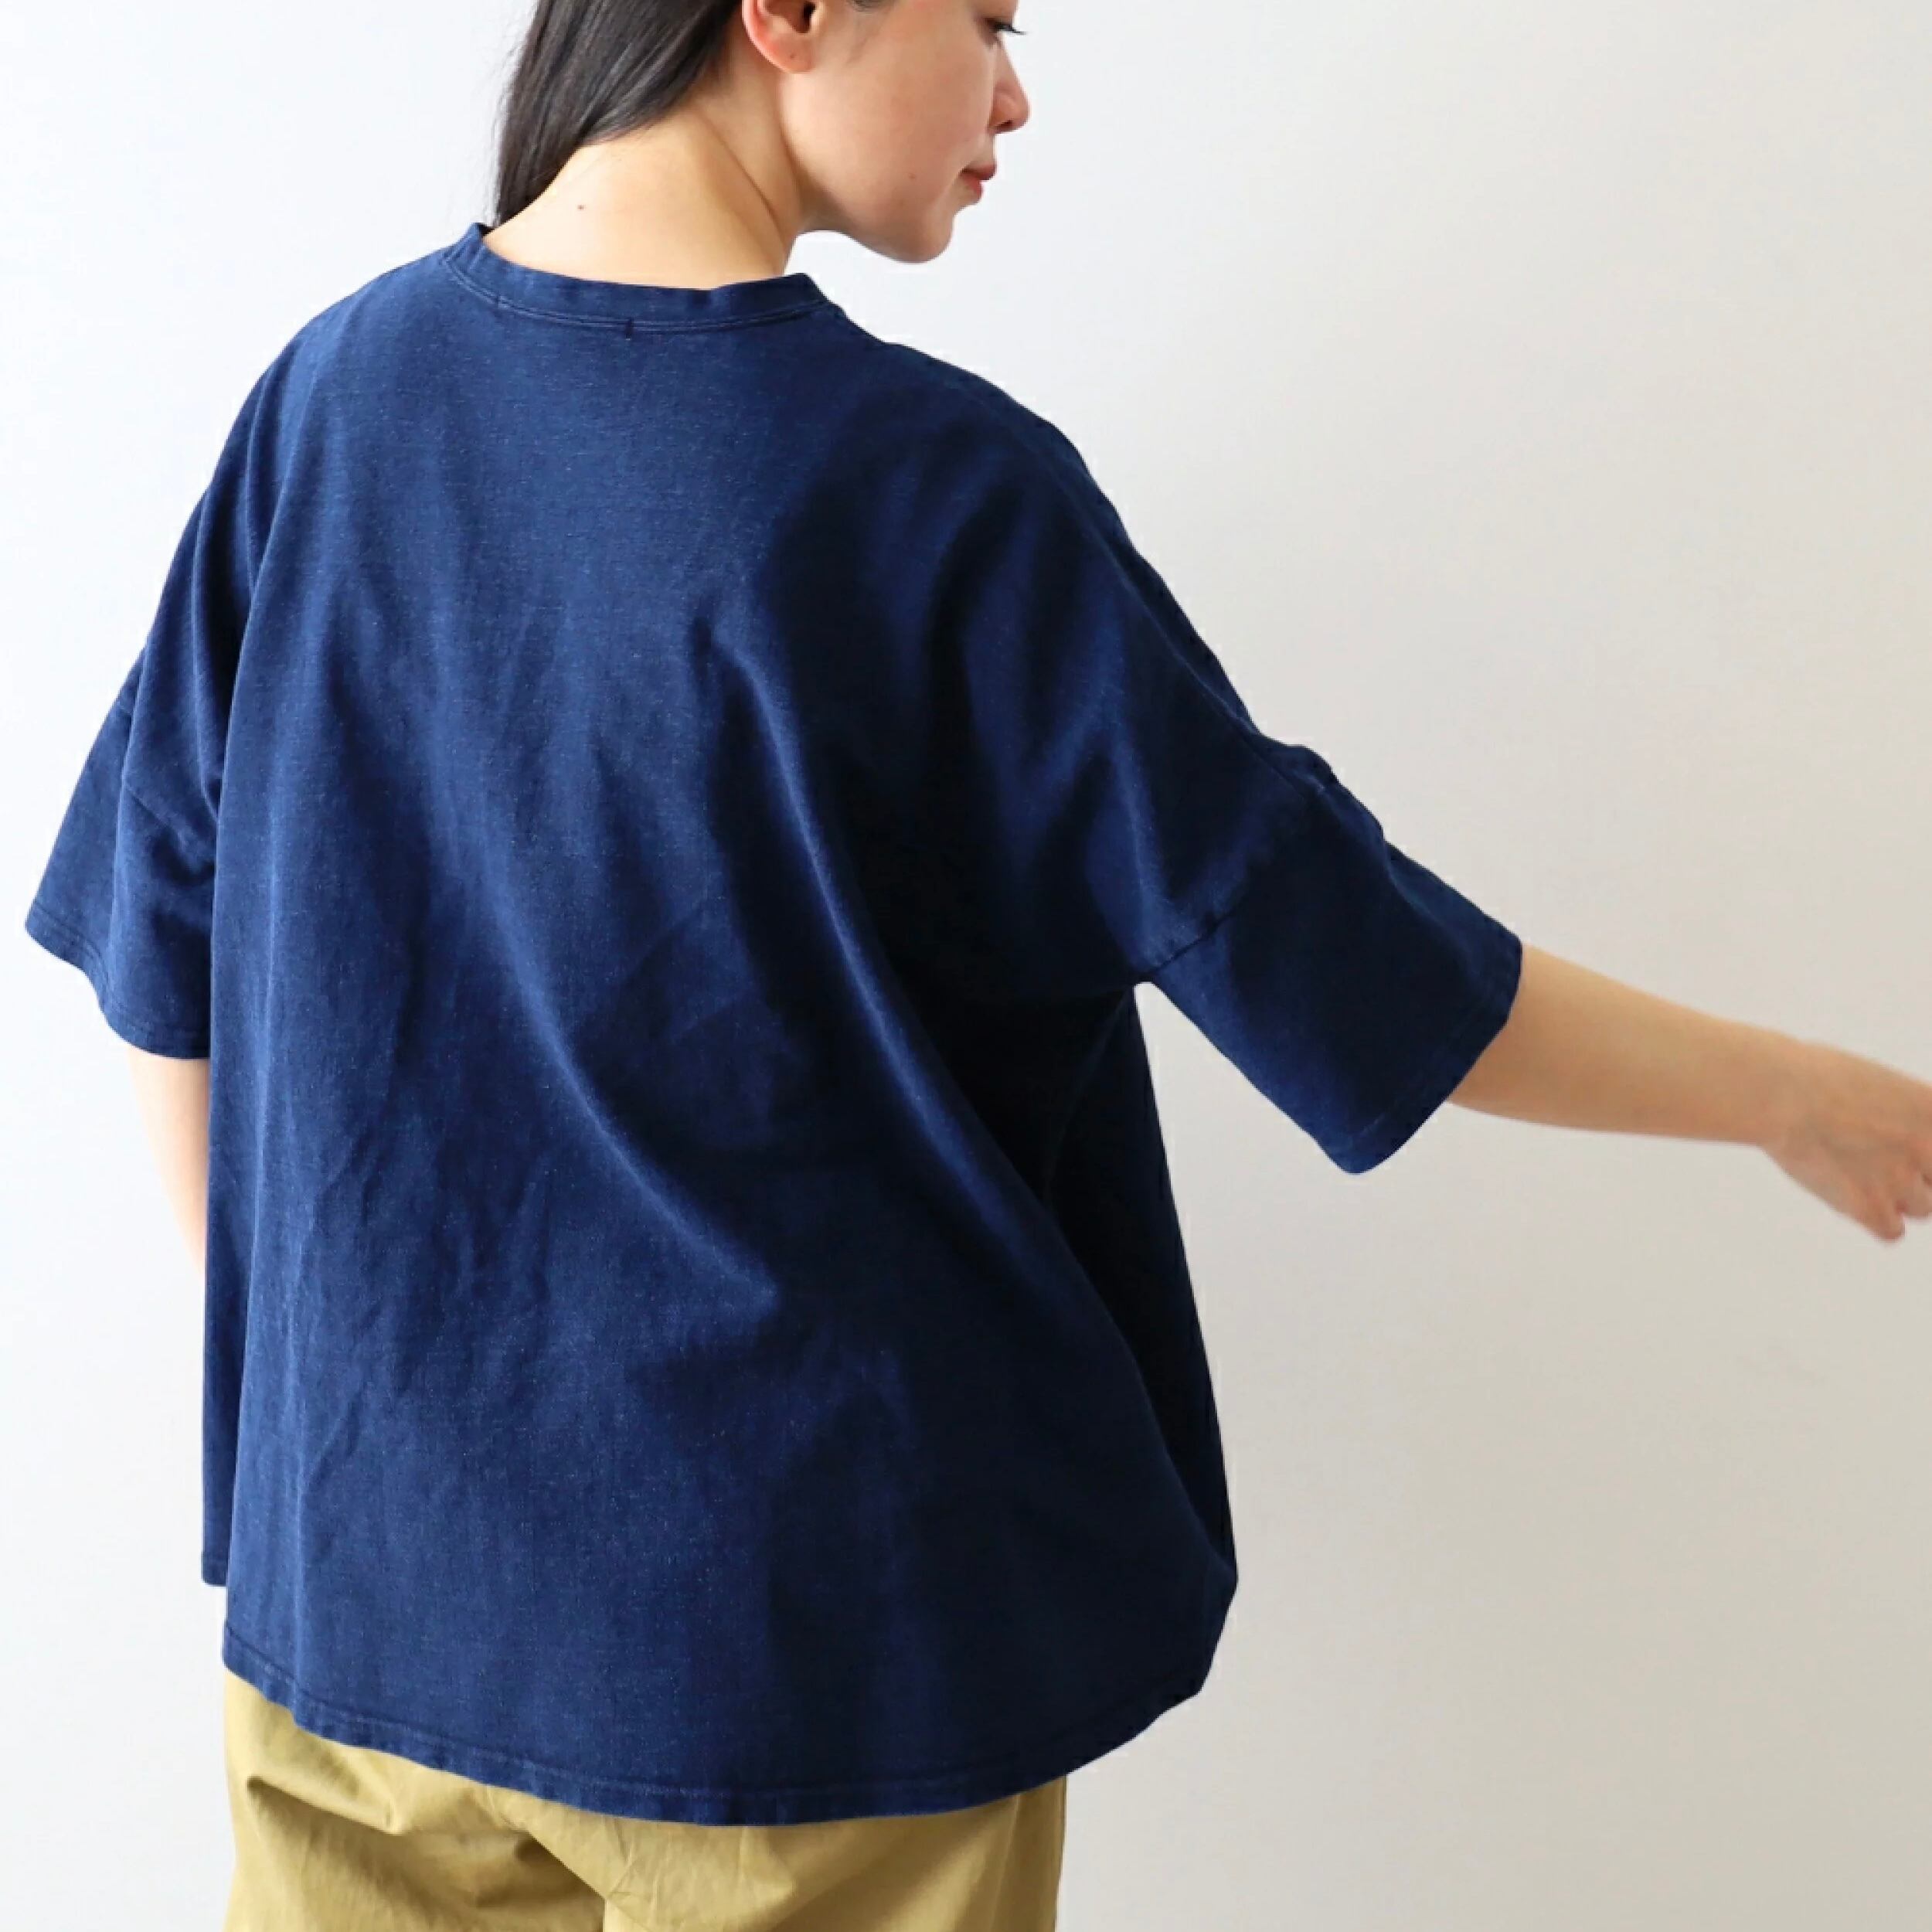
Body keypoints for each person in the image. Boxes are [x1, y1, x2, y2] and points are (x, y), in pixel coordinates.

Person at [22, 0, 1932, 1925]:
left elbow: (158, 949)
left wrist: (335, 1409)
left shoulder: (335, 397)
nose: (1013, 92)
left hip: (358, 1622)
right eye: (989, 19)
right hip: (810, 1673)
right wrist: (1799, 1094)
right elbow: (1344, 964)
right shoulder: (933, 494)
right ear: (787, 13)